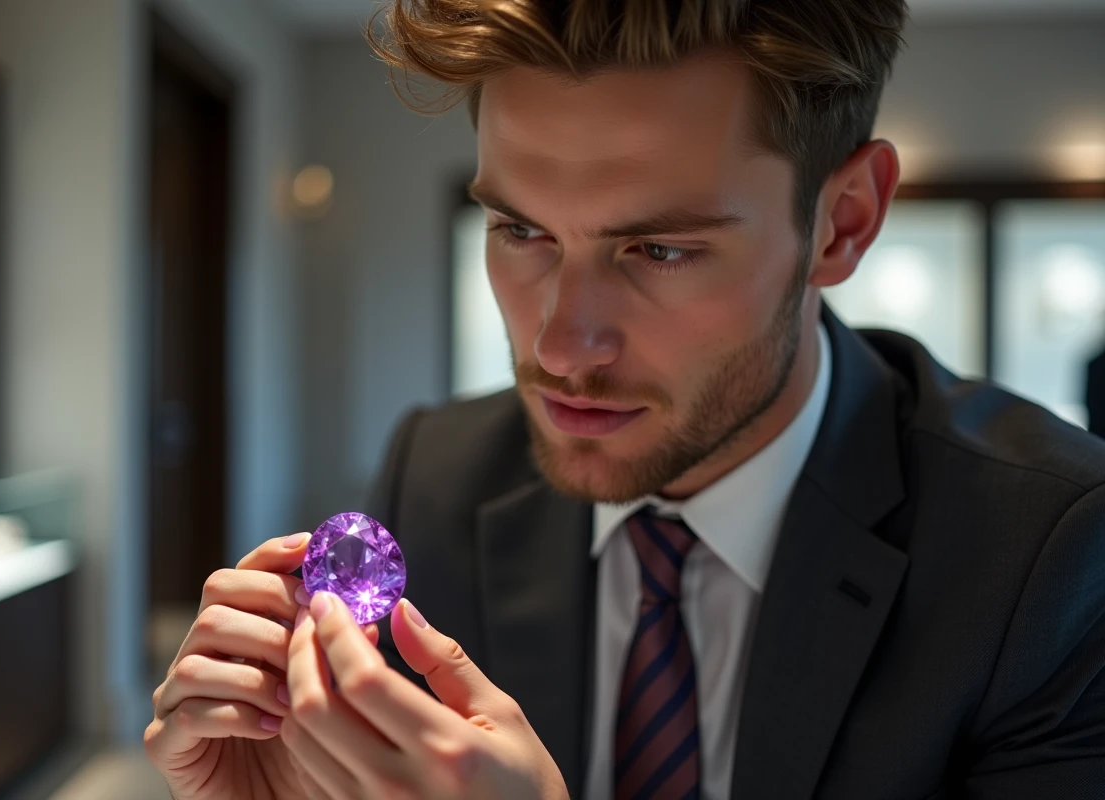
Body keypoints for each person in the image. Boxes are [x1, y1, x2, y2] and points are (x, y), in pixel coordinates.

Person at [145, 1, 1105, 798]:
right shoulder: (436, 474)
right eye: (520, 231)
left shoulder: (1048, 556)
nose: (560, 347)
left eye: (660, 250)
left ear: (841, 225)